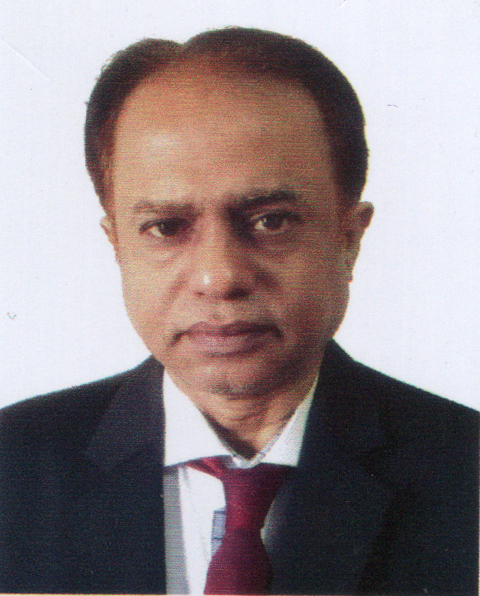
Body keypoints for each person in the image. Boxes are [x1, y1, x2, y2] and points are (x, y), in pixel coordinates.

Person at [0, 27, 478, 596]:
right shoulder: (12, 471)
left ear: (348, 239)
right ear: (118, 244)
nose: (219, 277)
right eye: (166, 227)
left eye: (271, 221)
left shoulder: (465, 471)